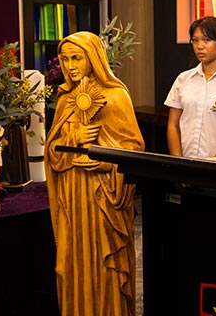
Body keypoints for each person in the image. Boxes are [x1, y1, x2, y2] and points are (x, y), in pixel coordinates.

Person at [45, 31, 145, 316]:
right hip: (72, 195)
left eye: (77, 58)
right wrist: (73, 137)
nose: (70, 66)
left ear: (93, 58)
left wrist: (105, 163)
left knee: (104, 263)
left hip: (103, 199)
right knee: (70, 261)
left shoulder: (115, 96)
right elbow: (53, 152)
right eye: (65, 59)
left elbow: (134, 148)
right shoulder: (66, 99)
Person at [164, 16, 216, 159]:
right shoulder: (183, 79)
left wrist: (214, 163)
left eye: (206, 40)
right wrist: (178, 162)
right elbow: (173, 125)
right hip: (184, 165)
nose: (199, 46)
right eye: (195, 40)